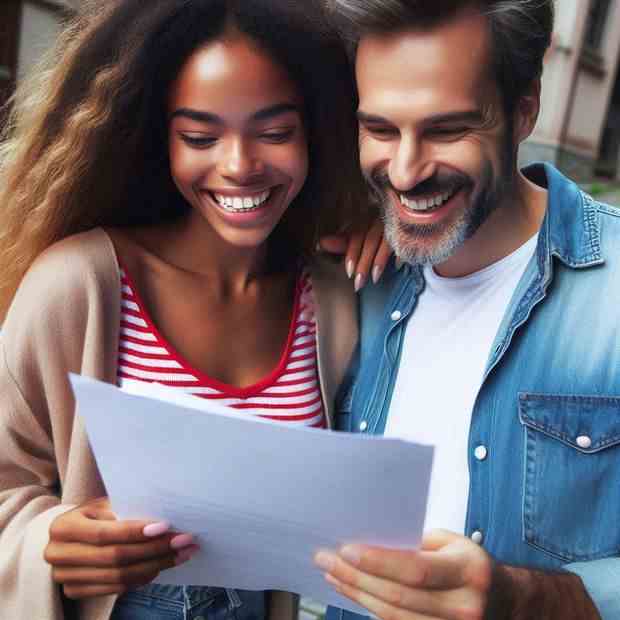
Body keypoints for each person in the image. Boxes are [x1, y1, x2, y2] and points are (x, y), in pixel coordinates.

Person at [0, 1, 384, 619]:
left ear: (318, 131)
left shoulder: (335, 300)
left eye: (275, 132)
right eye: (200, 137)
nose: (239, 165)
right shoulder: (81, 285)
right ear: (161, 139)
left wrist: (394, 227)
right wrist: (52, 541)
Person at [314, 1, 618, 619]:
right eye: (379, 129)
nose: (404, 172)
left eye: (447, 130)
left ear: (524, 108)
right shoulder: (343, 278)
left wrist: (525, 600)